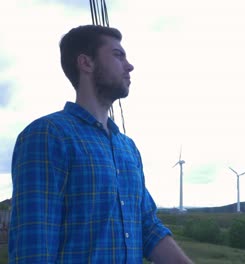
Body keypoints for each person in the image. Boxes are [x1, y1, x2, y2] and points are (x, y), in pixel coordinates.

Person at [9, 25, 193, 263]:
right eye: (118, 55)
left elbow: (148, 228)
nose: (129, 66)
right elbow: (34, 247)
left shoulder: (128, 148)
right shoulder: (48, 136)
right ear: (86, 63)